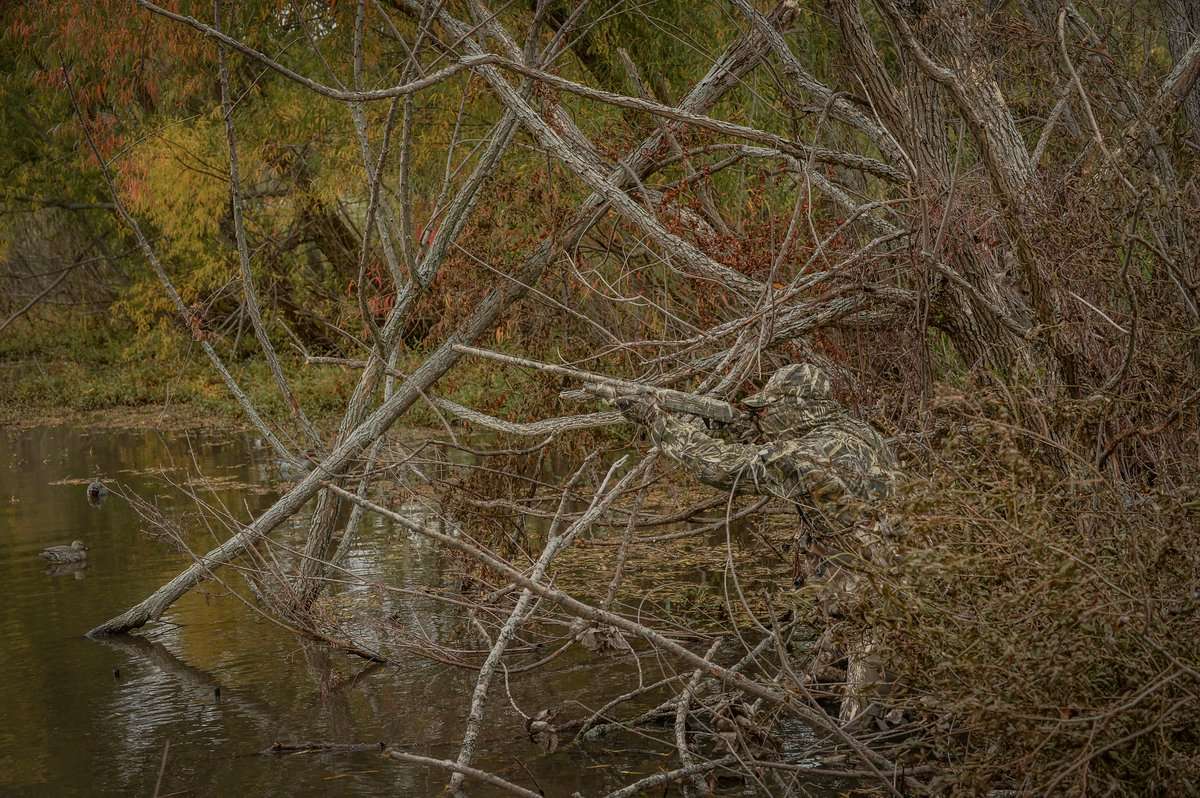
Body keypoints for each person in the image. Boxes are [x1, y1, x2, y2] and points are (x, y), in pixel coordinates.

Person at [617, 363, 901, 721]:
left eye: (770, 407)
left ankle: (860, 759)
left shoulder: (806, 455)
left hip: (870, 605)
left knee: (859, 727)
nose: (763, 414)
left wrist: (658, 422)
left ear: (798, 407)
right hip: (883, 584)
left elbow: (722, 466)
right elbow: (773, 442)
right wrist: (726, 423)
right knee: (820, 685)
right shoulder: (854, 431)